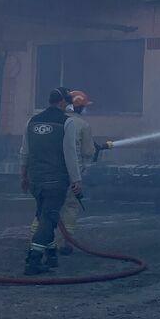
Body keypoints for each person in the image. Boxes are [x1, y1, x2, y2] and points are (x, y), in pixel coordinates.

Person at [19, 87, 82, 275]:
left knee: (43, 215)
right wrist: (76, 180)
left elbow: (24, 151)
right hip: (56, 180)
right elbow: (70, 154)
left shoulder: (32, 121)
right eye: (67, 102)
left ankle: (52, 253)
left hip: (35, 179)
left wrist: (23, 176)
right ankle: (34, 258)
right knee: (49, 218)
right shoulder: (67, 123)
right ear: (62, 102)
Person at [36, 89, 96, 256]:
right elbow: (88, 152)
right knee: (69, 207)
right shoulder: (82, 124)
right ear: (78, 107)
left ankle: (37, 240)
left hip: (48, 173)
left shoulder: (52, 121)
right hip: (70, 175)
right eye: (85, 107)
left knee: (44, 209)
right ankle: (64, 243)